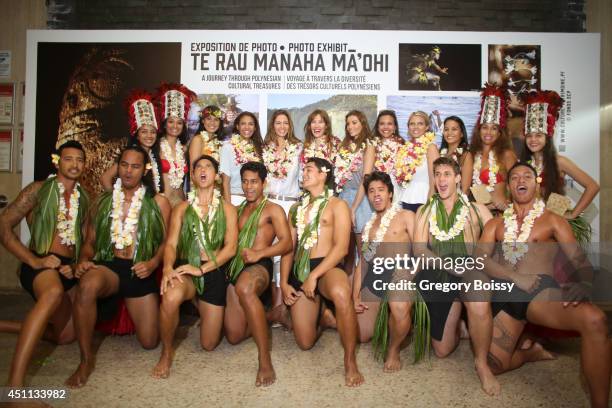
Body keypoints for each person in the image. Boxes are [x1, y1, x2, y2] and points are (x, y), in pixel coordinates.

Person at [479, 162, 610, 407]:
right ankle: (530, 353)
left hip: (540, 293)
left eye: (527, 176)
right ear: (508, 187)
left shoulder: (552, 221)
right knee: (493, 365)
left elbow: (580, 262)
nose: (521, 180)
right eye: (515, 177)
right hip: (504, 295)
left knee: (595, 320)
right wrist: (514, 278)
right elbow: (479, 259)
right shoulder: (495, 224)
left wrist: (585, 283)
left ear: (536, 184)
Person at [65, 145, 171, 388]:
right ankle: (85, 360)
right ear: (117, 166)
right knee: (87, 285)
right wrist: (83, 260)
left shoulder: (158, 202)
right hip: (109, 266)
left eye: (135, 166)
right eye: (124, 165)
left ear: (144, 170)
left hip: (139, 269)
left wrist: (153, 263)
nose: (128, 171)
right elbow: (90, 243)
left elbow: (166, 242)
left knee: (149, 342)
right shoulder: (104, 201)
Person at [0, 141, 89, 387]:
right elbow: (3, 225)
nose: (74, 164)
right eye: (69, 158)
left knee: (66, 336)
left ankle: (7, 325)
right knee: (52, 294)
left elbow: (83, 240)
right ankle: (13, 390)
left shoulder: (84, 197)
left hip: (66, 268)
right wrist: (34, 260)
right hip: (41, 263)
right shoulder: (39, 189)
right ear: (57, 161)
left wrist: (75, 264)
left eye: (80, 159)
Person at [413, 157, 499, 395]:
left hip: (471, 270)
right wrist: (447, 265)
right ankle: (461, 317)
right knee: (442, 350)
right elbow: (420, 249)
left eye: (447, 174)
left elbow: (496, 237)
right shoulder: (424, 210)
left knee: (479, 300)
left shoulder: (476, 209)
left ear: (458, 177)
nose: (441, 179)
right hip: (439, 274)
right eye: (437, 174)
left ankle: (481, 364)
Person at [152, 155, 238, 379]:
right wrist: (168, 268)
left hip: (213, 270)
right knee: (170, 297)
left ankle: (201, 302)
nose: (202, 170)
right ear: (192, 175)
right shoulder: (181, 207)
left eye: (208, 167)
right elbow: (170, 243)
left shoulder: (228, 209)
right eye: (198, 167)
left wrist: (202, 270)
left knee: (209, 344)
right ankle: (166, 352)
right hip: (186, 268)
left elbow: (230, 249)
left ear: (216, 176)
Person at [280, 157, 364, 387]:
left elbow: (341, 248)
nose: (304, 174)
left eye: (309, 170)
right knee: (305, 343)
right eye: (304, 170)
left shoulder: (338, 205)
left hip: (326, 267)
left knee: (340, 293)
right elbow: (289, 248)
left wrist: (315, 276)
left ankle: (350, 361)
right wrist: (284, 282)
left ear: (323, 174)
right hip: (300, 268)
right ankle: (324, 319)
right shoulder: (296, 208)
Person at [223, 161, 292, 386]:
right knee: (233, 336)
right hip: (236, 267)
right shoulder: (238, 209)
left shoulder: (273, 209)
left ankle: (264, 360)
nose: (249, 186)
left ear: (264, 183)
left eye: (254, 182)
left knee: (245, 288)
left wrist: (258, 253)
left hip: (259, 265)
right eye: (245, 181)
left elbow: (286, 243)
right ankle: (271, 315)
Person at [353, 171, 414, 372]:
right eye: (371, 191)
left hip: (401, 272)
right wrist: (355, 296)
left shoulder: (406, 216)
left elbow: (423, 250)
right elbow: (362, 263)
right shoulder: (368, 226)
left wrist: (410, 275)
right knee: (361, 335)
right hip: (376, 275)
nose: (376, 194)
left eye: (381, 190)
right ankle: (330, 316)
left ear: (390, 193)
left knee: (398, 305)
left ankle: (394, 349)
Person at [520, 90, 599, 222]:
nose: (533, 140)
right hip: (529, 222)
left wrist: (573, 214)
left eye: (539, 135)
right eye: (529, 136)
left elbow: (593, 186)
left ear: (548, 136)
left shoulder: (559, 161)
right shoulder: (523, 163)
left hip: (554, 222)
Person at [262, 109, 303, 328]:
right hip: (269, 203)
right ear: (272, 125)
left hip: (289, 203)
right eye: (278, 123)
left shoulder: (298, 148)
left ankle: (282, 307)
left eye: (285, 123)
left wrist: (299, 203)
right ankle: (274, 305)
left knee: (286, 253)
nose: (282, 126)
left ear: (290, 125)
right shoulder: (265, 149)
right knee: (271, 254)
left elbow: (304, 178)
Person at [101, 90, 164, 195]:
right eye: (144, 132)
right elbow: (105, 178)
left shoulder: (154, 155)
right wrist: (116, 201)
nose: (149, 136)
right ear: (137, 135)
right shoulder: (130, 155)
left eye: (153, 132)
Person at [336, 110, 375, 276]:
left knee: (363, 250)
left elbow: (365, 180)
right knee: (345, 250)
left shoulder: (369, 146)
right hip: (343, 197)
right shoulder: (344, 147)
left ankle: (363, 295)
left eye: (354, 122)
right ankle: (347, 292)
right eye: (348, 123)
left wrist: (353, 208)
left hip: (361, 200)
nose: (350, 126)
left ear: (363, 124)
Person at [470, 83, 517, 212]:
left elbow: (518, 184)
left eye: (494, 128)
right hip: (479, 214)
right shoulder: (473, 155)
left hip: (501, 214)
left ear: (500, 132)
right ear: (479, 130)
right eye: (485, 127)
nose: (488, 132)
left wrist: (511, 205)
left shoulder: (506, 154)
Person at [156, 83, 196, 207]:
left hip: (180, 203)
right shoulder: (156, 146)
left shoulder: (184, 149)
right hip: (161, 205)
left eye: (179, 123)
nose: (175, 126)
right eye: (171, 122)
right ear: (164, 124)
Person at [395, 111, 439, 212]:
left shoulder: (431, 147)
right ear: (408, 127)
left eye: (420, 123)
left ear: (427, 127)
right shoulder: (406, 148)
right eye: (412, 124)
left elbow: (435, 179)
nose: (416, 127)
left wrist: (430, 203)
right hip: (405, 198)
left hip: (423, 200)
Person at [220, 112, 264, 205]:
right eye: (243, 124)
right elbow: (225, 182)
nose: (247, 127)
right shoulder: (228, 147)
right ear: (237, 126)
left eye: (251, 124)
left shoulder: (259, 149)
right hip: (235, 199)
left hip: (256, 201)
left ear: (255, 127)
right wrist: (229, 207)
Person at [372, 110, 405, 204]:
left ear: (395, 127)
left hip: (396, 189)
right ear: (378, 127)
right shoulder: (372, 145)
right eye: (382, 123)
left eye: (389, 123)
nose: (385, 127)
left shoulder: (403, 146)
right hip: (376, 189)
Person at [439, 115, 473, 194]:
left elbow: (465, 188)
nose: (449, 133)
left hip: (456, 202)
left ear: (461, 134)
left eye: (454, 129)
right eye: (446, 129)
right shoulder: (440, 153)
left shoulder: (465, 155)